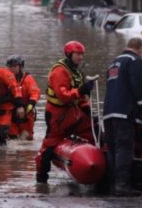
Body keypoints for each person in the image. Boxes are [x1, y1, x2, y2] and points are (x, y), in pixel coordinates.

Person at [35, 41, 95, 184]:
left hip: (73, 113)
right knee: (49, 145)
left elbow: (78, 97)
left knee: (94, 130)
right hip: (58, 116)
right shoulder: (60, 71)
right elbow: (63, 95)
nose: (81, 58)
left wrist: (86, 107)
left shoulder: (77, 72)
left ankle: (96, 167)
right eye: (78, 54)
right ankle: (41, 177)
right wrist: (81, 90)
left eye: (82, 55)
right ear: (69, 54)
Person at [103, 37, 142, 196]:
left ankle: (112, 184)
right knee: (124, 148)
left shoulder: (113, 63)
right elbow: (138, 85)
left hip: (108, 112)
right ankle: (122, 185)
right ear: (140, 49)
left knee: (113, 148)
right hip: (124, 112)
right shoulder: (135, 61)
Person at [6, 55, 40, 140]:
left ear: (20, 67)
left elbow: (35, 92)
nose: (11, 69)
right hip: (11, 111)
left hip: (26, 112)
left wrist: (31, 104)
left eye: (14, 66)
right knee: (12, 138)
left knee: (26, 138)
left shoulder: (28, 78)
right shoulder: (6, 78)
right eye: (9, 66)